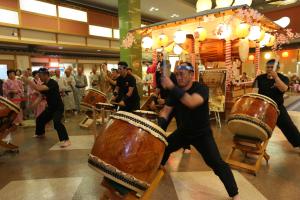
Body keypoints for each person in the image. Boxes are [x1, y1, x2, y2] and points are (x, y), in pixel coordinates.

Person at [158, 64, 240, 200]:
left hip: (202, 133)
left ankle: (234, 194)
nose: (179, 77)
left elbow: (191, 102)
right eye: (177, 74)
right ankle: (158, 168)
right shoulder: (175, 91)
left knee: (216, 163)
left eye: (182, 73)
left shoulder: (201, 88)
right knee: (164, 147)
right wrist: (157, 125)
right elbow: (166, 112)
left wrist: (171, 86)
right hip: (184, 132)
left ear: (191, 74)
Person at [253, 59, 300, 149]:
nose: (269, 69)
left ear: (277, 68)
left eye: (272, 67)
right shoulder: (260, 78)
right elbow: (254, 91)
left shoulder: (283, 78)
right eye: (268, 67)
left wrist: (276, 78)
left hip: (277, 107)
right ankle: (254, 144)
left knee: (289, 126)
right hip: (262, 108)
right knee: (256, 127)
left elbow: (284, 89)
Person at [23, 68, 71, 148]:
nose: (39, 78)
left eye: (40, 76)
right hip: (51, 107)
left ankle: (66, 140)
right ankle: (40, 133)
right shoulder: (44, 84)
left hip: (58, 107)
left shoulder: (53, 83)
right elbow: (41, 96)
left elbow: (38, 88)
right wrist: (33, 106)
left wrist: (27, 80)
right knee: (40, 119)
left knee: (57, 122)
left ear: (46, 75)